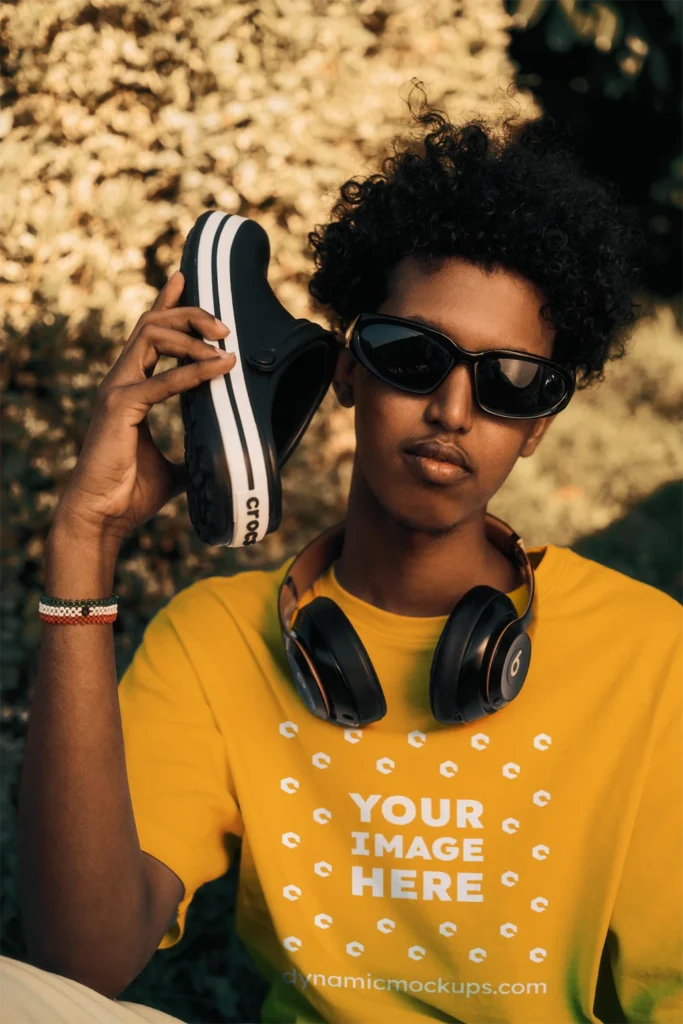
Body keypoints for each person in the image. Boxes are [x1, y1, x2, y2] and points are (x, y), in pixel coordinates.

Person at [9, 97, 683, 1024]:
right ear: (346, 369)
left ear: (536, 428)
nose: (452, 409)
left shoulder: (652, 653)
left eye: (510, 382)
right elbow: (76, 965)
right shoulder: (216, 642)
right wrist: (83, 543)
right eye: (412, 356)